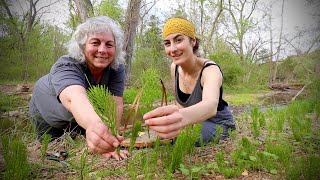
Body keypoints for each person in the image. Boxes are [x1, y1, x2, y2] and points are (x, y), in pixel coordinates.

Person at [28, 16, 128, 160]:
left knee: (84, 141)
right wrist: (96, 125)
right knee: (50, 151)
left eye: (109, 45)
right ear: (82, 46)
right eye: (95, 43)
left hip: (84, 115)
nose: (102, 50)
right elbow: (74, 98)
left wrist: (111, 139)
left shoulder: (116, 68)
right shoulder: (66, 65)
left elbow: (115, 104)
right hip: (47, 106)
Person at [143, 17, 236, 146]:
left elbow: (211, 106)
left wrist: (180, 120)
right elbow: (181, 105)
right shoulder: (174, 68)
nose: (173, 49)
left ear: (193, 41)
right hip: (194, 122)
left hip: (218, 123)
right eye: (167, 43)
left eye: (178, 40)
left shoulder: (210, 70)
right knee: (168, 135)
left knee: (182, 139)